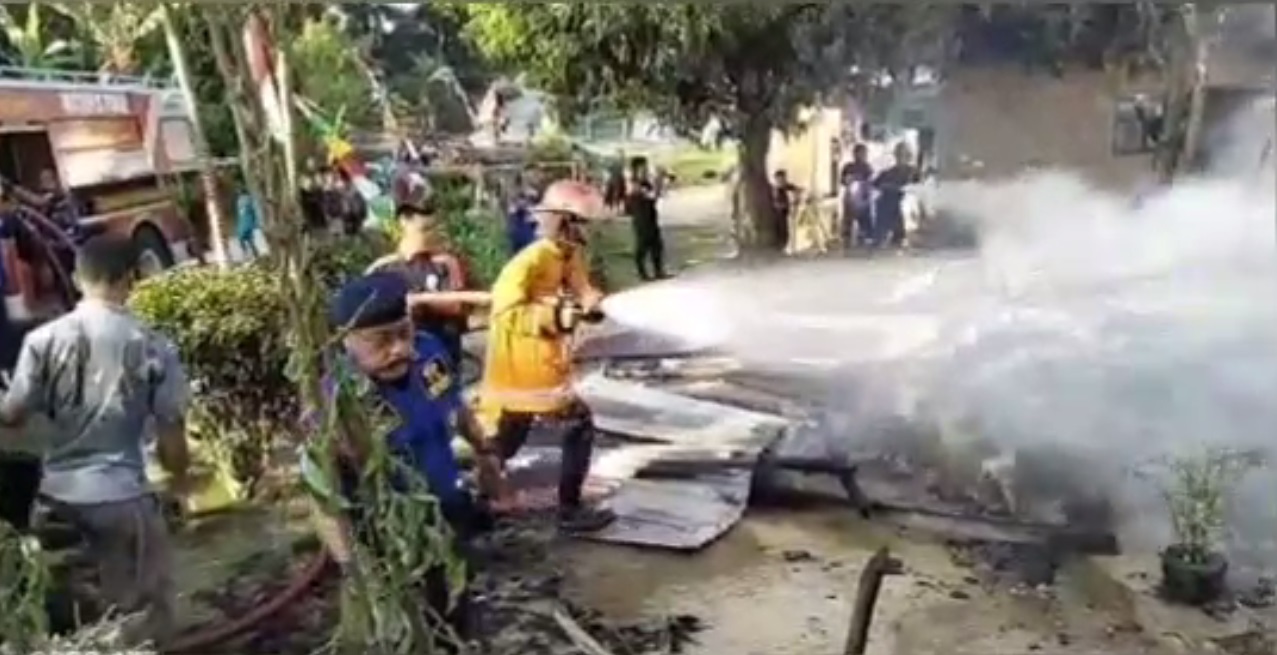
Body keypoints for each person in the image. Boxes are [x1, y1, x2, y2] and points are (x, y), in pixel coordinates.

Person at [0, 233, 191, 647]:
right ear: (131, 279)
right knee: (144, 618)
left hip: (54, 501)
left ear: (76, 277)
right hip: (123, 498)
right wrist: (177, 483)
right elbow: (172, 440)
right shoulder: (152, 344)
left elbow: (11, 416)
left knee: (76, 618)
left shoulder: (41, 341)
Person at [304, 272, 503, 645]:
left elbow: (455, 406)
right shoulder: (335, 405)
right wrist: (351, 565)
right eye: (381, 341)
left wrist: (485, 450)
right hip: (393, 538)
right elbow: (324, 497)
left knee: (458, 605)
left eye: (404, 333)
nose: (399, 349)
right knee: (414, 624)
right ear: (346, 342)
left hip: (447, 511)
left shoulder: (428, 355)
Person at [479, 180, 616, 533]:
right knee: (578, 424)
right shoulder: (530, 260)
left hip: (539, 367)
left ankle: (480, 498)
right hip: (522, 367)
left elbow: (582, 286)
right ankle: (569, 512)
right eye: (579, 223)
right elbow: (504, 312)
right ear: (560, 221)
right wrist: (554, 316)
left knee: (506, 438)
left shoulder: (567, 255)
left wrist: (590, 303)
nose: (584, 231)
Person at [366, 201, 491, 368]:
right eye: (424, 229)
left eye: (434, 228)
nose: (431, 235)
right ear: (404, 221)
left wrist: (422, 300)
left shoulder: (447, 264)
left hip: (446, 359)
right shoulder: (382, 269)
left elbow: (466, 309)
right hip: (403, 365)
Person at [625, 157, 667, 281]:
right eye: (642, 167)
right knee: (642, 246)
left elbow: (655, 196)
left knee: (657, 245)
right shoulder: (633, 184)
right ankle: (642, 273)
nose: (645, 170)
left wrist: (659, 181)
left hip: (651, 216)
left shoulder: (644, 182)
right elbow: (651, 196)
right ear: (636, 169)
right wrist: (659, 180)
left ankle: (658, 271)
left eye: (645, 167)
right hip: (641, 218)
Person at [872, 143, 918, 249]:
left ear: (908, 156)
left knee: (902, 238)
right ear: (895, 156)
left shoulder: (913, 172)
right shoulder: (887, 173)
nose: (901, 157)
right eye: (899, 154)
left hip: (905, 208)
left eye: (904, 154)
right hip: (887, 208)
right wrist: (887, 187)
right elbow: (875, 184)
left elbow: (918, 188)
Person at [840, 144, 875, 247]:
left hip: (863, 198)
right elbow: (842, 180)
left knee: (865, 223)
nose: (861, 155)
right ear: (854, 154)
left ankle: (865, 240)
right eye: (859, 153)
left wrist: (866, 189)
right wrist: (848, 180)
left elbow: (871, 181)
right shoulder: (848, 167)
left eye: (863, 153)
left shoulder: (867, 167)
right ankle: (846, 240)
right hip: (850, 198)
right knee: (848, 222)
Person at [771, 170, 800, 251]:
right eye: (780, 179)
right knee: (779, 230)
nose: (782, 181)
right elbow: (774, 202)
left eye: (783, 179)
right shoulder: (774, 189)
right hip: (777, 214)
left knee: (785, 231)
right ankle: (779, 247)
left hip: (784, 213)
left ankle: (783, 247)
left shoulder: (786, 187)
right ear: (776, 179)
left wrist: (796, 201)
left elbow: (796, 190)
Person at [235, 186, 261, 259]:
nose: (237, 192)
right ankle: (253, 254)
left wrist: (255, 222)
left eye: (238, 190)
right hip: (243, 221)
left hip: (247, 221)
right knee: (246, 239)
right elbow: (240, 212)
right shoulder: (239, 200)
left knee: (243, 238)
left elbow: (253, 211)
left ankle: (248, 254)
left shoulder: (248, 199)